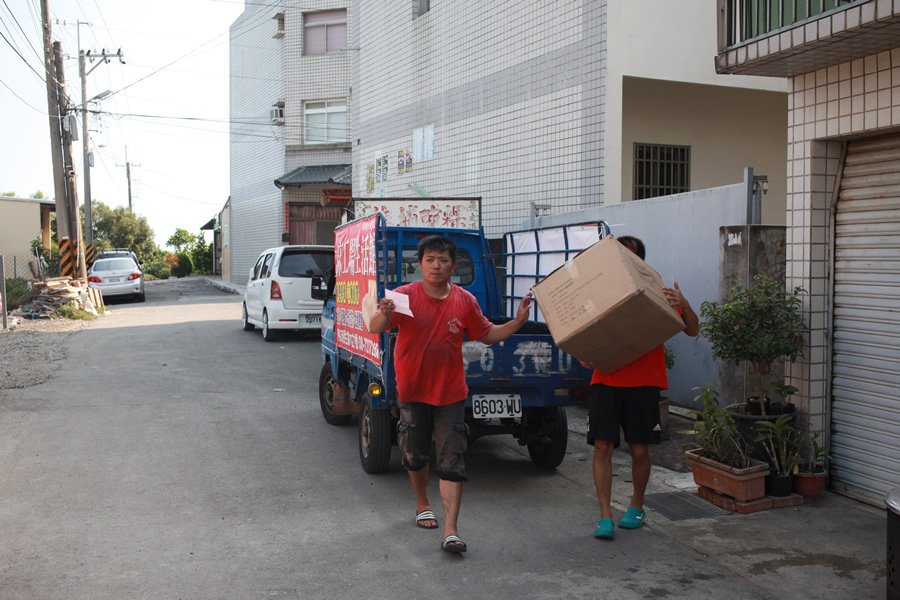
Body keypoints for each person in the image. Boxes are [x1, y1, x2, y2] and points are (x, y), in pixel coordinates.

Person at [368, 235, 533, 554]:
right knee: (415, 454)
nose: (436, 265)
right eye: (430, 259)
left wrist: (518, 321)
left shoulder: (465, 300)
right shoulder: (403, 296)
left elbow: (487, 335)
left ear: (453, 266)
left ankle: (451, 530)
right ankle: (422, 503)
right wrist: (386, 313)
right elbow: (376, 325)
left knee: (452, 460)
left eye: (443, 260)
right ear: (420, 264)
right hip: (413, 390)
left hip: (450, 394)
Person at [580, 235, 699, 540]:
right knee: (603, 446)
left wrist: (682, 304)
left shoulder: (658, 291)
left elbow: (693, 330)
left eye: (628, 256)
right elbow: (580, 334)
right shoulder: (599, 292)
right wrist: (583, 354)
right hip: (606, 380)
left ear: (640, 262)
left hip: (644, 381)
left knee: (639, 449)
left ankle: (636, 505)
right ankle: (605, 515)